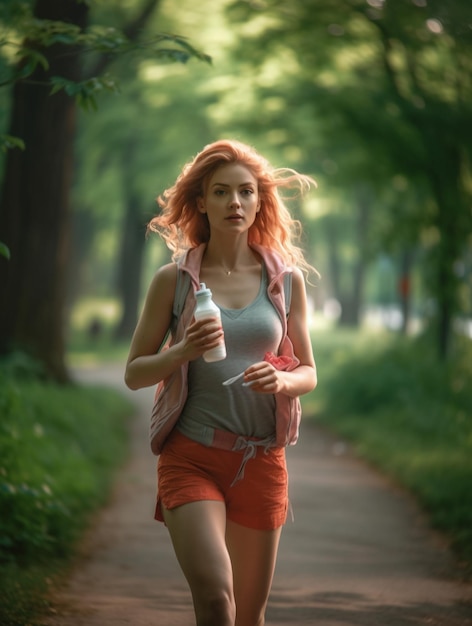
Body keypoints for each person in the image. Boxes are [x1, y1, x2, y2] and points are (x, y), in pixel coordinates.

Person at [124, 139, 317, 626]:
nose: (235, 202)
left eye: (246, 192)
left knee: (249, 617)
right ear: (202, 202)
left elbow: (309, 373)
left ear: (259, 202)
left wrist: (282, 380)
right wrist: (183, 350)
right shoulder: (175, 280)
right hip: (192, 456)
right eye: (222, 192)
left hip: (262, 460)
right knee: (215, 601)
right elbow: (133, 373)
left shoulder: (285, 282)